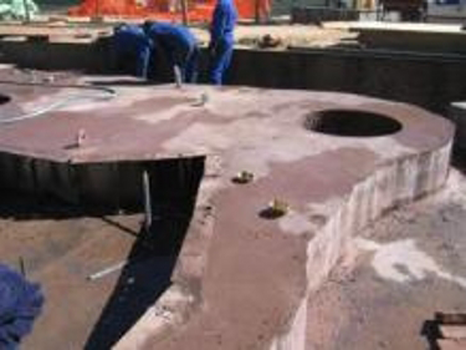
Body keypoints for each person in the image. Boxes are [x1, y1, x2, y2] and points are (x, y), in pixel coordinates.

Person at [208, 0, 238, 85]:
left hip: (222, 39)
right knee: (224, 69)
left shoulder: (221, 5)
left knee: (215, 71)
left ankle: (215, 93)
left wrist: (213, 44)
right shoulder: (231, 3)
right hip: (229, 38)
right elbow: (235, 18)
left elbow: (219, 27)